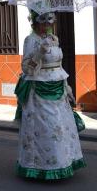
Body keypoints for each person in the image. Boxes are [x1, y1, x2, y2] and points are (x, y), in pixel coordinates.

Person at [16, 11, 85, 180]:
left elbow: (59, 67)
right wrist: (39, 52)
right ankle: (40, 167)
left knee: (61, 127)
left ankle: (63, 163)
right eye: (43, 21)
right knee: (46, 129)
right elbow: (27, 69)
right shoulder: (30, 40)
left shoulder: (54, 39)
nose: (47, 25)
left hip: (58, 90)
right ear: (35, 21)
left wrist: (67, 88)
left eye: (50, 21)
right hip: (39, 92)